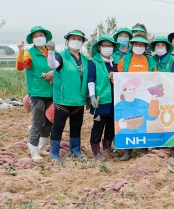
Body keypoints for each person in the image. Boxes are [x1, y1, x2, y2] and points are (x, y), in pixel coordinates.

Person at [46, 30, 89, 163]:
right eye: (73, 38)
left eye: (79, 39)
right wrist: (51, 52)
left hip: (78, 100)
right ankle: (54, 153)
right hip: (63, 100)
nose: (76, 41)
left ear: (82, 43)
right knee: (58, 127)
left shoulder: (85, 59)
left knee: (76, 127)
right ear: (67, 41)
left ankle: (75, 151)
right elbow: (53, 65)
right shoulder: (61, 56)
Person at [16, 26, 54, 160]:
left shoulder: (50, 52)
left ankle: (41, 147)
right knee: (37, 122)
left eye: (41, 35)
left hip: (51, 93)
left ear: (46, 37)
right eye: (36, 36)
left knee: (49, 121)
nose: (39, 38)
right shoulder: (29, 53)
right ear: (32, 39)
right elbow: (20, 67)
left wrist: (53, 73)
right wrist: (21, 51)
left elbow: (58, 67)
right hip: (37, 93)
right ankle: (33, 149)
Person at [88, 35, 119, 160]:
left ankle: (107, 147)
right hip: (101, 99)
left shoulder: (116, 62)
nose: (107, 48)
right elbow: (91, 80)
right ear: (100, 47)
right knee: (98, 125)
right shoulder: (94, 62)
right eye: (105, 45)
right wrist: (92, 96)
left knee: (111, 124)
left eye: (110, 45)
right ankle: (95, 150)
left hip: (115, 98)